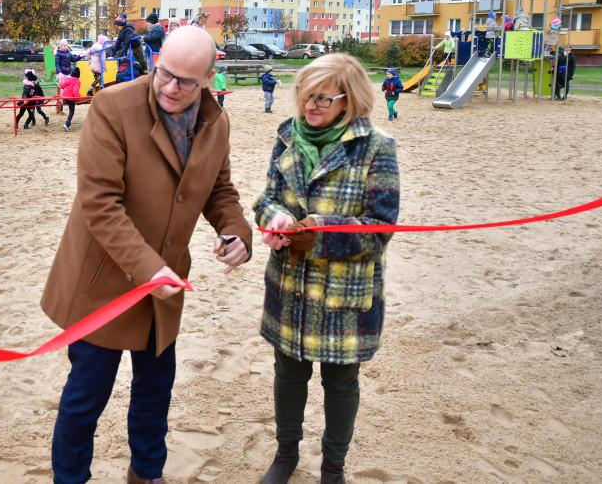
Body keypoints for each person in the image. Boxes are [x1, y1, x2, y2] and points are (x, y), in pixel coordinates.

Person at [42, 25, 252, 484]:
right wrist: (149, 268)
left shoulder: (216, 121)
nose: (170, 88)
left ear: (209, 80)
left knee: (155, 394)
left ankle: (146, 474)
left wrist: (236, 232)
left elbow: (219, 190)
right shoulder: (113, 107)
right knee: (85, 400)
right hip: (103, 285)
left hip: (164, 285)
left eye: (186, 82)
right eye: (164, 74)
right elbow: (100, 203)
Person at [253, 53, 400, 484]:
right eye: (303, 94)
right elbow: (266, 199)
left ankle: (333, 466)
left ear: (349, 100)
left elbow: (381, 228)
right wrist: (275, 219)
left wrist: (316, 233)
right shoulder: (285, 137)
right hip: (290, 284)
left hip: (344, 292)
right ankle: (286, 455)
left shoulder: (377, 147)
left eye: (322, 98)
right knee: (288, 374)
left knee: (340, 383)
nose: (309, 106)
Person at [60, 65, 82, 132]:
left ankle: (62, 103)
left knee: (68, 104)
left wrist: (60, 81)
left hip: (64, 96)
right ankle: (67, 124)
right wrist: (79, 98)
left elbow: (62, 86)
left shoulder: (67, 80)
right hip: (70, 98)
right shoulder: (77, 81)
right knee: (71, 112)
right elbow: (75, 91)